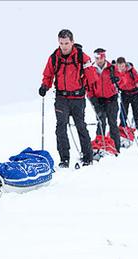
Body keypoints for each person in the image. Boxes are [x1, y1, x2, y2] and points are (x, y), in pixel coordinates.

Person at [39, 29, 95, 168]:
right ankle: (64, 159)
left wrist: (90, 89)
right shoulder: (54, 57)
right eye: (61, 43)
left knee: (81, 126)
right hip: (61, 98)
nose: (64, 46)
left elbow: (91, 77)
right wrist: (45, 86)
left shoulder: (82, 57)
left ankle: (88, 157)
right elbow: (48, 74)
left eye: (66, 43)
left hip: (78, 98)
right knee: (61, 127)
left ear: (72, 42)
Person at [87, 48, 121, 153]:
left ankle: (116, 148)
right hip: (98, 100)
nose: (98, 60)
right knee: (101, 123)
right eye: (96, 57)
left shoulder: (111, 68)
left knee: (112, 123)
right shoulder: (92, 69)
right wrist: (92, 98)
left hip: (111, 99)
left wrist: (118, 80)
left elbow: (121, 80)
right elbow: (89, 85)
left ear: (104, 57)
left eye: (100, 57)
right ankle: (99, 146)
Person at [116, 57, 138, 135]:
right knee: (123, 112)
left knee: (136, 112)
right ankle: (122, 128)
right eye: (119, 66)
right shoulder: (115, 73)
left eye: (122, 66)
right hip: (124, 94)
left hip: (134, 93)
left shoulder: (131, 70)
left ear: (125, 64)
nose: (121, 68)